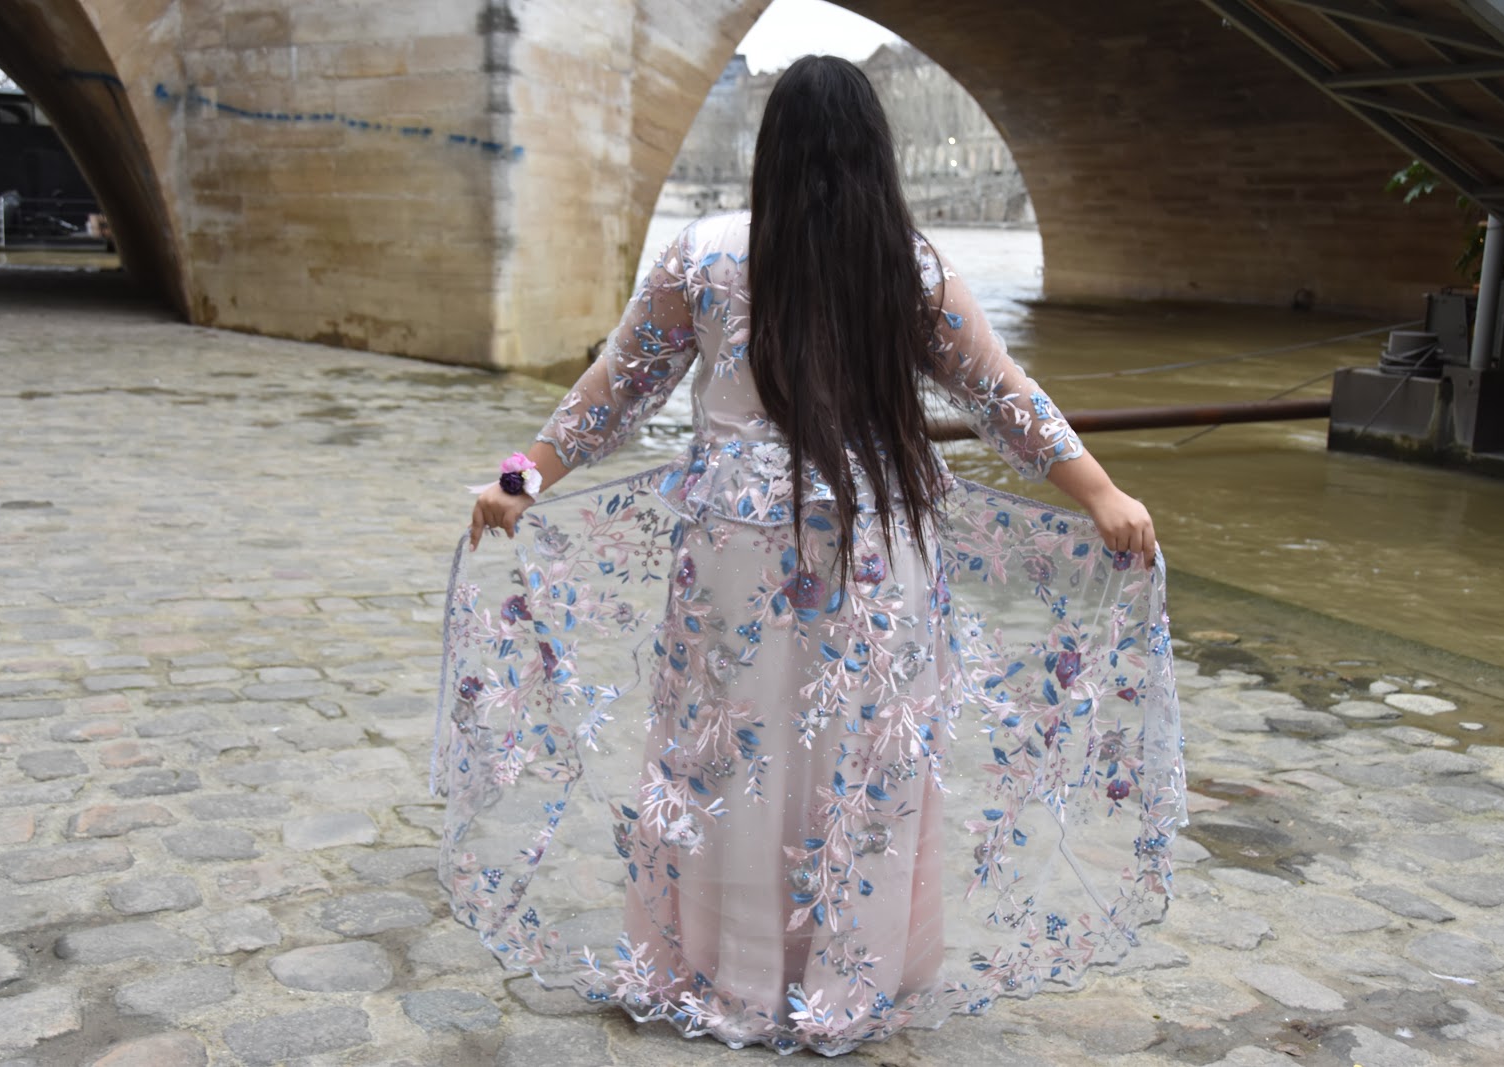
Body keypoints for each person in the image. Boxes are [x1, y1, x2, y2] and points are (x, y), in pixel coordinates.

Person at [439, 55, 1185, 1057]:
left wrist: (518, 477)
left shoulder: (703, 257)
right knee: (863, 760)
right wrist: (1101, 494)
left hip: (734, 554)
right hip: (877, 549)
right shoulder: (906, 267)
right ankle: (848, 972)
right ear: (875, 153)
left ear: (770, 150)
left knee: (727, 757)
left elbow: (611, 391)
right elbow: (1006, 397)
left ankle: (726, 965)